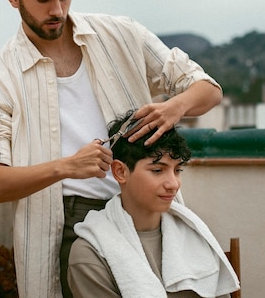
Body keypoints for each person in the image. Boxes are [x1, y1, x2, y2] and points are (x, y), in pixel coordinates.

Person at [0, 0, 223, 298]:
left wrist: (174, 107)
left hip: (145, 210)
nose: (57, 10)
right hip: (70, 223)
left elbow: (208, 89)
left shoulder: (120, 33)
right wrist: (66, 166)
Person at [67, 111, 240, 298]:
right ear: (120, 172)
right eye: (158, 170)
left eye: (177, 170)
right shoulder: (90, 255)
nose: (173, 184)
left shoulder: (196, 236)